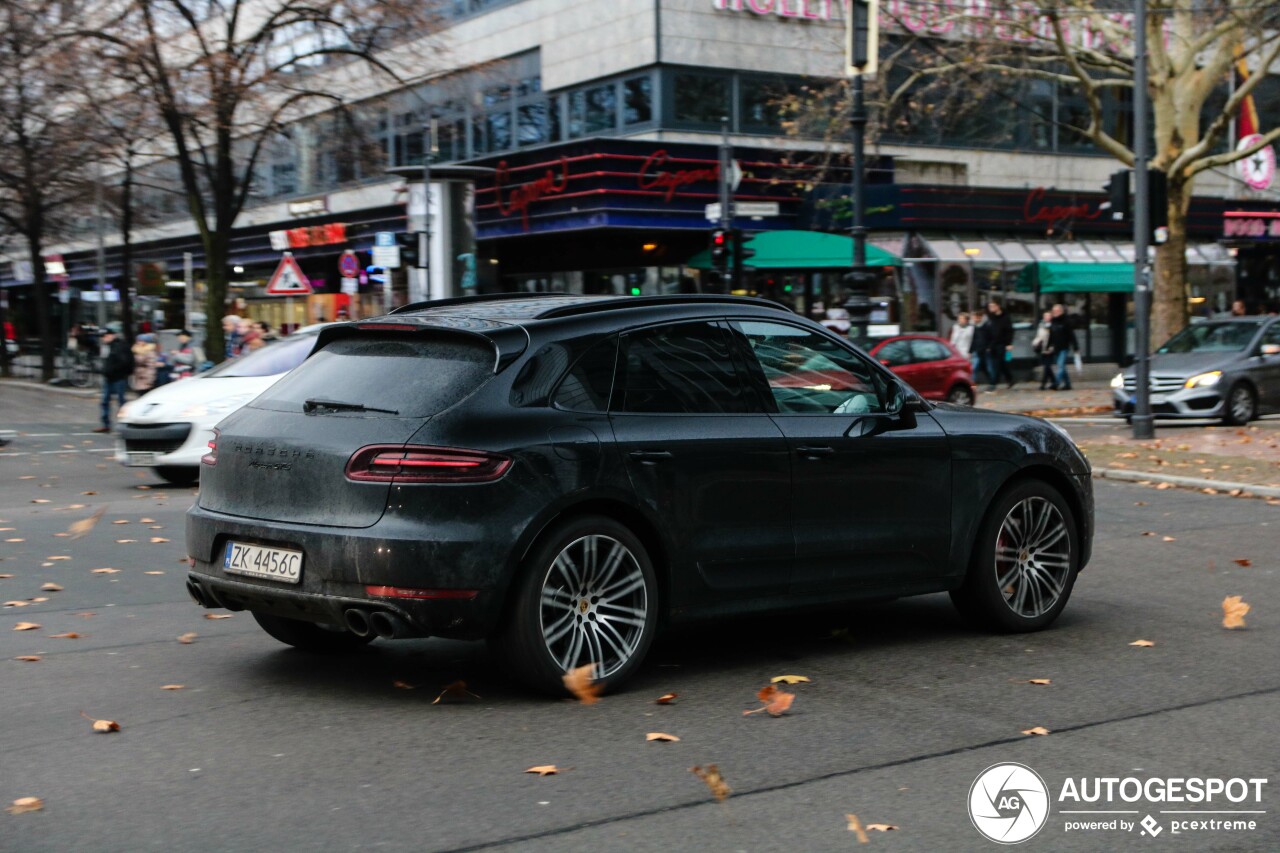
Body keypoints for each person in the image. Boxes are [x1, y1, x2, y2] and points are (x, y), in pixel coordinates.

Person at [94, 324, 133, 433]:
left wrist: (115, 371)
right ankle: (106, 424)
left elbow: (124, 362)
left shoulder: (120, 346)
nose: (103, 338)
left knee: (121, 401)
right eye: (101, 337)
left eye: (104, 336)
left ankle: (125, 424)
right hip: (109, 377)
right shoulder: (107, 347)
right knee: (105, 401)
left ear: (111, 335)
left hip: (119, 377)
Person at [1048, 303, 1080, 391]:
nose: (1055, 312)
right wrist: (1049, 345)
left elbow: (1071, 335)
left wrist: (1075, 347)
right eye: (1054, 311)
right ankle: (1068, 384)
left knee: (1060, 365)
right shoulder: (1053, 321)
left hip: (1064, 347)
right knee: (1062, 366)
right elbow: (1051, 335)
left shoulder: (1066, 321)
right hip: (1056, 347)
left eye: (1057, 311)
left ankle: (1056, 383)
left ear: (1061, 311)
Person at [985, 301, 1015, 391]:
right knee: (1002, 364)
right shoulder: (990, 318)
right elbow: (988, 332)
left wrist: (1009, 343)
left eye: (993, 306)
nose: (991, 308)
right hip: (992, 344)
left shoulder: (1005, 318)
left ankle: (993, 383)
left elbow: (1010, 331)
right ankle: (1010, 379)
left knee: (996, 364)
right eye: (990, 306)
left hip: (1002, 344)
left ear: (998, 306)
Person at [1031, 310, 1056, 390]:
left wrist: (1052, 347)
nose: (1047, 317)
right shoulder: (1041, 325)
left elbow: (1054, 338)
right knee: (1047, 367)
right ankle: (1054, 381)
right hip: (1042, 349)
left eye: (1048, 316)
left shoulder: (1053, 326)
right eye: (1045, 316)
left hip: (1050, 349)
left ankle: (1043, 384)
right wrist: (1035, 343)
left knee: (1047, 367)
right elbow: (1039, 336)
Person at [969, 310, 990, 384]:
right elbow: (972, 339)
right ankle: (972, 382)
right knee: (974, 367)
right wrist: (970, 350)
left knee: (984, 366)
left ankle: (992, 380)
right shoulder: (971, 327)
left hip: (984, 349)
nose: (976, 319)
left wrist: (988, 347)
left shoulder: (985, 326)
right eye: (974, 317)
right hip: (976, 350)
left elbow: (988, 337)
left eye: (977, 317)